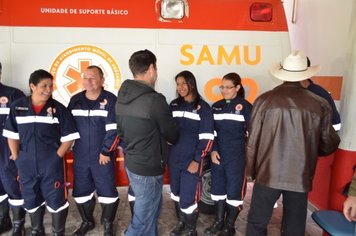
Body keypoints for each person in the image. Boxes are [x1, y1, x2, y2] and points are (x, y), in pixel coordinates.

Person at [245, 51, 340, 236]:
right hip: (300, 176)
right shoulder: (320, 104)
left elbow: (252, 142)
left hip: (267, 173)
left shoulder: (264, 101)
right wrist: (309, 149)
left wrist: (252, 173)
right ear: (305, 74)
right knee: (294, 229)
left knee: (256, 223)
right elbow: (329, 144)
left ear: (282, 73)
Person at [3, 69, 80, 236]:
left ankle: (58, 232)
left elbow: (69, 137)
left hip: (51, 164)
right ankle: (37, 230)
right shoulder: (18, 107)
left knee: (56, 199)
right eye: (43, 86)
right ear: (32, 86)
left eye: (50, 86)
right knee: (31, 197)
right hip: (26, 164)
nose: (48, 90)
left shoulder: (58, 108)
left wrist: (57, 157)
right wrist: (16, 156)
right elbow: (11, 134)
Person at [116, 49, 179, 236]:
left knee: (150, 213)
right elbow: (172, 134)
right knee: (143, 219)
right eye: (156, 68)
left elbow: (120, 131)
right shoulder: (155, 100)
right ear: (152, 68)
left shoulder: (122, 96)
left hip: (133, 162)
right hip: (149, 166)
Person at [67, 65, 120, 236]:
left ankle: (107, 224)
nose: (88, 81)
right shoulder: (75, 100)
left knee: (107, 192)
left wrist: (105, 151)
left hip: (102, 156)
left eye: (92, 77)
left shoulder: (111, 100)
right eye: (85, 77)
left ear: (102, 80)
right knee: (81, 192)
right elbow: (68, 128)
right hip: (81, 156)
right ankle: (87, 222)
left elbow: (114, 129)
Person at [204, 72, 252, 236]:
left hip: (237, 157)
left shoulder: (246, 107)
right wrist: (213, 150)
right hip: (218, 156)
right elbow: (211, 132)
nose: (224, 90)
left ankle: (229, 226)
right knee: (218, 189)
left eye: (228, 87)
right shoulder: (216, 106)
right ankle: (218, 222)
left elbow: (252, 134)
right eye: (222, 87)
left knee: (234, 191)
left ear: (238, 88)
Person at [169, 70, 214, 236]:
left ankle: (190, 229)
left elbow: (208, 138)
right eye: (178, 84)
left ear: (191, 84)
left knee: (189, 198)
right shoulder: (173, 105)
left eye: (183, 83)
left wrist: (197, 160)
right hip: (174, 159)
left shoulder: (204, 108)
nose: (180, 87)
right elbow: (168, 130)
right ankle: (181, 222)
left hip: (192, 162)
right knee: (175, 194)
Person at [0, 62, 26, 236]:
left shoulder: (13, 94)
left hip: (7, 150)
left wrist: (17, 151)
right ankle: (4, 220)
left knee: (13, 186)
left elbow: (25, 126)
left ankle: (19, 226)